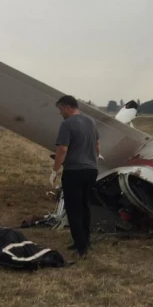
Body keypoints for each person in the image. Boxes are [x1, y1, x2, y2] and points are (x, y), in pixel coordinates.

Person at [50, 95, 100, 257]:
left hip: (74, 171)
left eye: (60, 109)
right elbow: (97, 145)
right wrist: (92, 159)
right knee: (85, 206)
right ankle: (85, 241)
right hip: (91, 170)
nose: (60, 113)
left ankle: (81, 247)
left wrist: (54, 171)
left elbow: (62, 149)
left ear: (66, 107)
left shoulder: (67, 124)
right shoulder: (91, 121)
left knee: (73, 209)